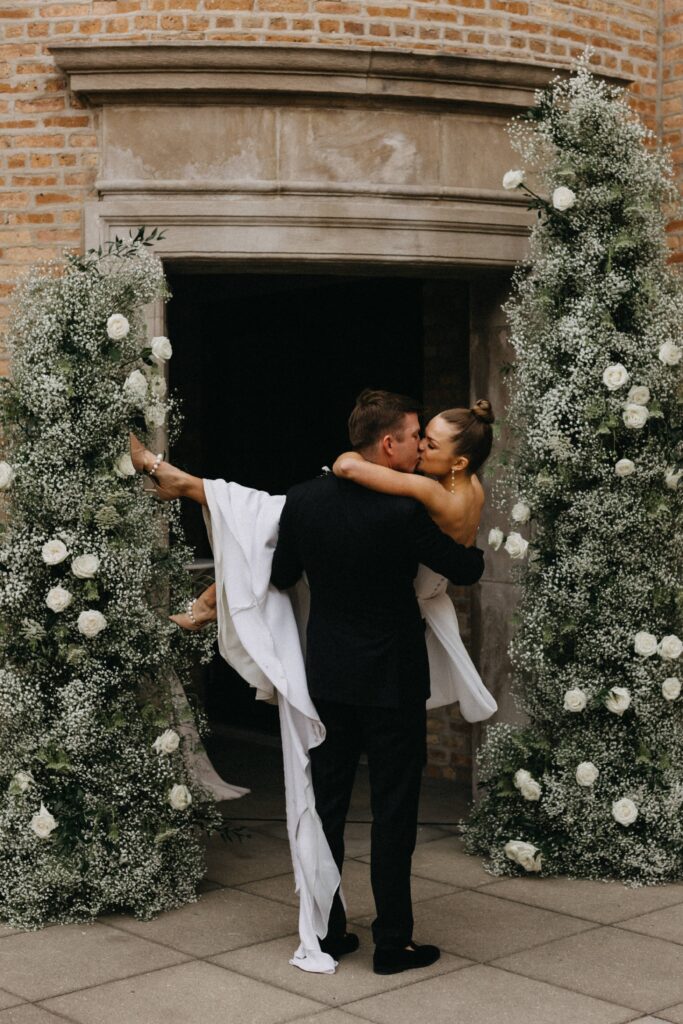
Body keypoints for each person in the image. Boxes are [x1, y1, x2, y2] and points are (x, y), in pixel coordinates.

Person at [268, 389, 487, 976]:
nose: (420, 444)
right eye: (416, 435)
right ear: (388, 444)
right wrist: (473, 542)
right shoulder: (404, 510)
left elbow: (283, 575)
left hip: (331, 676)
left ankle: (330, 931)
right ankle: (393, 941)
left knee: (329, 808)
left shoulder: (304, 500)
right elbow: (464, 568)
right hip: (393, 679)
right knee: (395, 811)